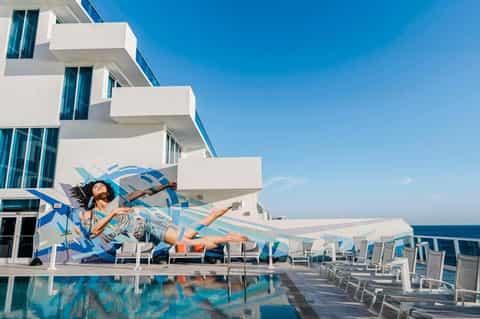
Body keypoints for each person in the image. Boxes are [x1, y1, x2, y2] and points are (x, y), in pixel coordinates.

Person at [70, 180, 248, 250]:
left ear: (108, 191)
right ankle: (217, 220)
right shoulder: (88, 214)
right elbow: (93, 232)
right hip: (143, 231)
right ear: (91, 193)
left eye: (103, 186)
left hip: (148, 224)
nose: (101, 188)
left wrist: (165, 185)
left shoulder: (119, 201)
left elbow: (144, 192)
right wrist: (113, 214)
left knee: (185, 240)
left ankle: (227, 238)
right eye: (96, 187)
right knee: (187, 236)